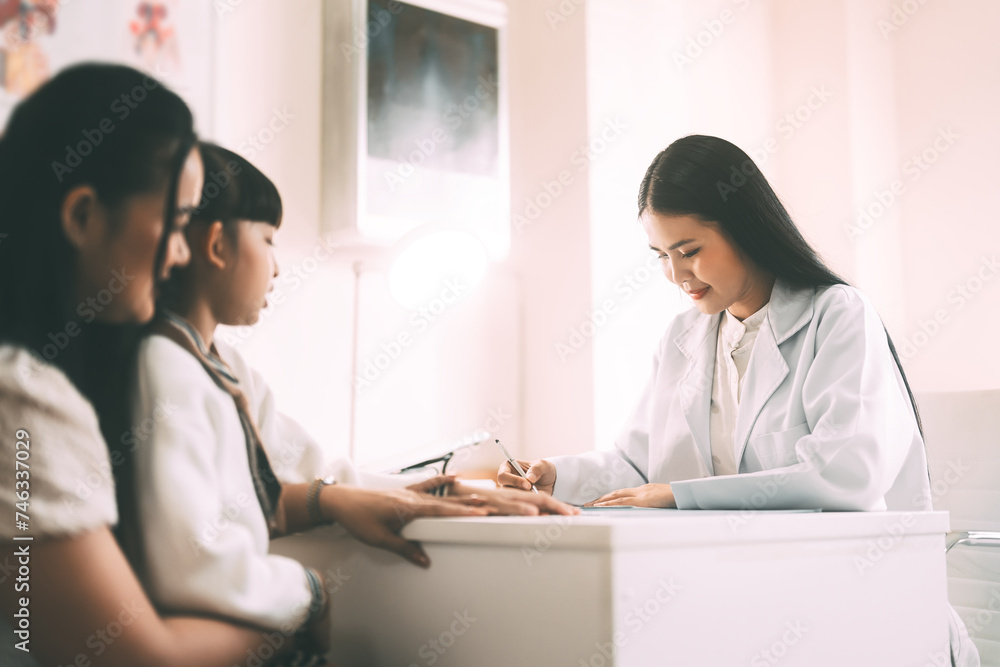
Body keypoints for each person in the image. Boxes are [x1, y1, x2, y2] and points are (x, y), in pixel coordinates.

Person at [498, 134, 979, 666]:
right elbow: (638, 464)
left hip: (865, 603)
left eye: (690, 252)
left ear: (745, 227)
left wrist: (680, 496)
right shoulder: (684, 339)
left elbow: (847, 473)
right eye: (661, 256)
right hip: (756, 602)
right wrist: (555, 476)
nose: (677, 276)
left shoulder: (836, 316)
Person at [126, 141, 576, 651]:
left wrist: (439, 491)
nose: (277, 267)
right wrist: (311, 592)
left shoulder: (226, 366)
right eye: (269, 240)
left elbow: (301, 474)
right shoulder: (162, 368)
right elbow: (193, 559)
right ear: (216, 245)